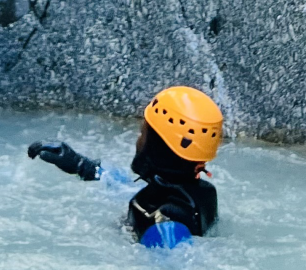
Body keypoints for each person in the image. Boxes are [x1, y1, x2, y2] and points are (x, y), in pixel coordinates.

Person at [27, 86, 222, 249]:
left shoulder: (165, 226)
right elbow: (127, 188)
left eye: (143, 133)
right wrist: (81, 166)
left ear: (159, 145)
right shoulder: (195, 193)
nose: (138, 141)